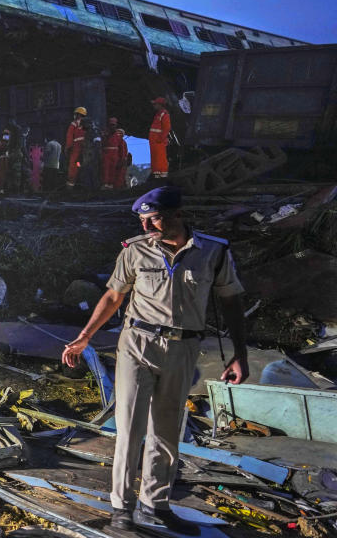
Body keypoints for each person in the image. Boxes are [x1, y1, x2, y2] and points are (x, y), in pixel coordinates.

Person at [61, 187, 248, 535]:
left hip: (183, 348)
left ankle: (154, 506)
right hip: (137, 343)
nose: (147, 225)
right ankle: (121, 511)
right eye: (143, 220)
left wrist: (240, 354)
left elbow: (231, 301)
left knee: (166, 431)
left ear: (178, 214)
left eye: (155, 218)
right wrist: (84, 337)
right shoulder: (135, 251)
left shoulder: (213, 251)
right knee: (129, 429)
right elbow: (114, 296)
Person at [101, 119, 129, 190]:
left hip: (115, 155)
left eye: (113, 125)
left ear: (116, 125)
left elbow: (122, 149)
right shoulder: (105, 133)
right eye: (111, 125)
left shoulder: (118, 136)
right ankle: (105, 184)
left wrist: (122, 159)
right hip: (106, 154)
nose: (112, 126)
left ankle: (111, 185)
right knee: (106, 169)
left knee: (113, 170)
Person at [64, 107, 87, 188]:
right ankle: (83, 184)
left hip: (76, 148)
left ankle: (71, 185)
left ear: (78, 115)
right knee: (82, 165)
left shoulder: (74, 124)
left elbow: (69, 136)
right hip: (85, 148)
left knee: (73, 165)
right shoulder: (87, 124)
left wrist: (68, 147)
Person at [149, 97, 171, 179]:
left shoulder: (164, 114)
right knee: (155, 158)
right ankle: (157, 176)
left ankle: (162, 177)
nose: (154, 105)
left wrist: (160, 139)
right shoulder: (158, 114)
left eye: (155, 104)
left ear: (160, 105)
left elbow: (167, 128)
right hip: (154, 141)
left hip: (158, 141)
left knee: (160, 159)